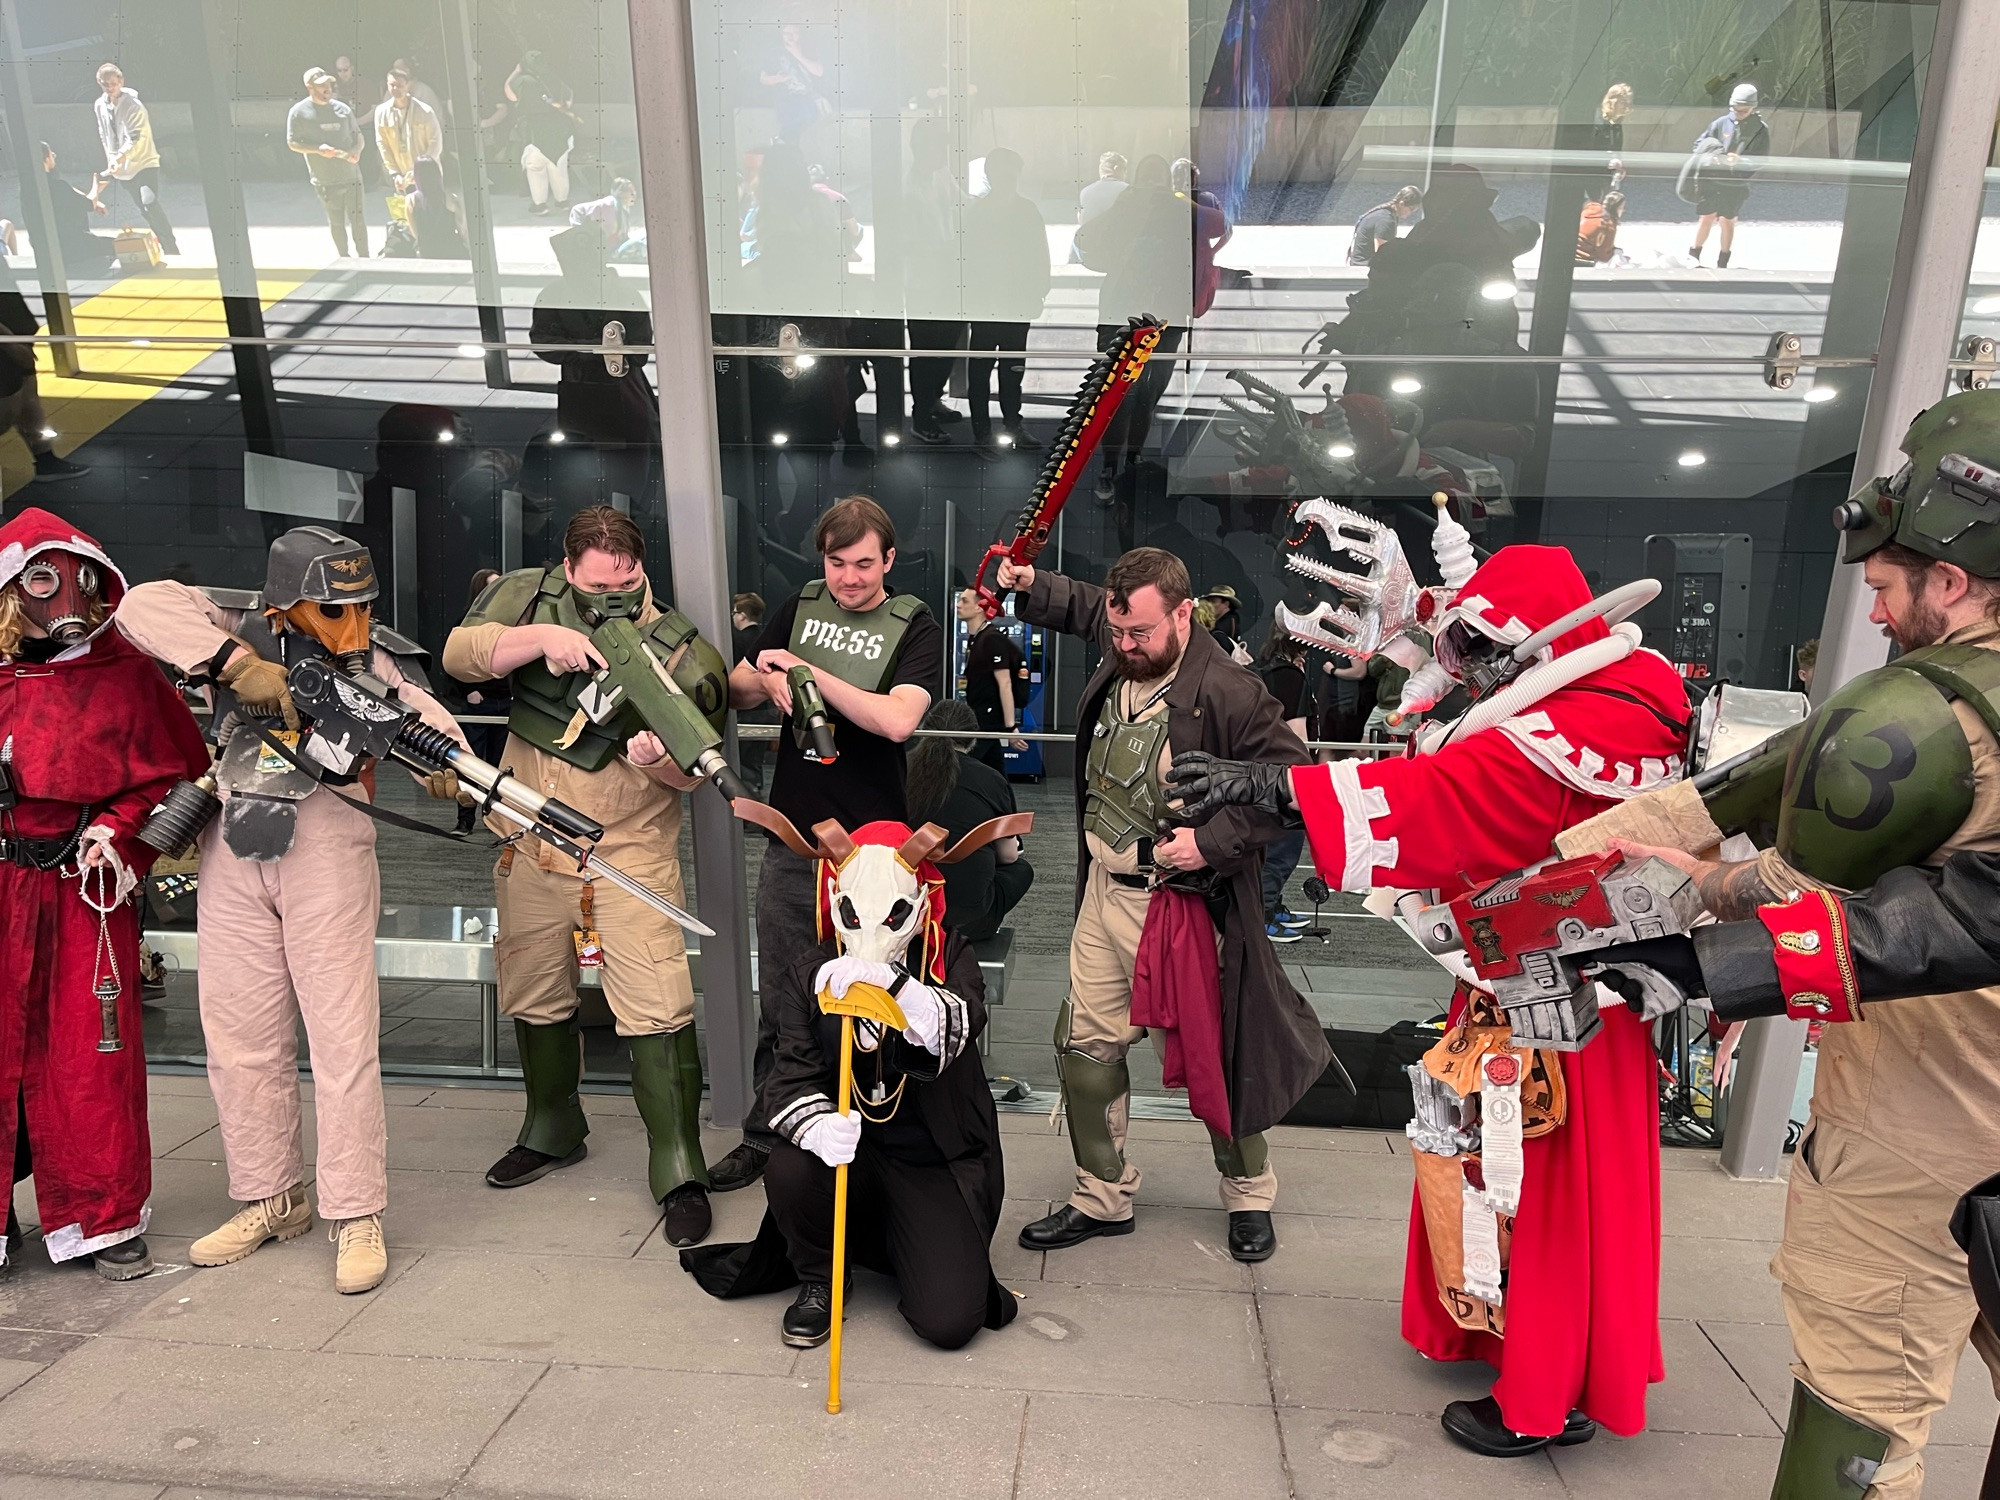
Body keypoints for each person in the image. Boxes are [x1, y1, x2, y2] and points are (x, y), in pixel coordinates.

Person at [1561, 390, 2000, 1499]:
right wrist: (1640, 872)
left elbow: (1920, 916)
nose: (1882, 612)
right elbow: (1755, 793)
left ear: (1949, 580)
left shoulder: (1920, 717)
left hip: (1931, 1127)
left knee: (1855, 1416)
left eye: (1893, 588)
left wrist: (1689, 954)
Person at [1166, 535, 1691, 1454]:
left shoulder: (1578, 726)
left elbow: (1450, 794)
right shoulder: (1611, 699)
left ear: (1534, 640)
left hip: (1557, 1005)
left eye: (1483, 648)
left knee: (1542, 1188)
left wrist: (1276, 786)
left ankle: (1546, 1390)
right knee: (1490, 1168)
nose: (1471, 668)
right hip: (1534, 983)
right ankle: (1509, 1337)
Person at [116, 527, 467, 1295]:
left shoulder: (377, 660)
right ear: (287, 602)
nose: (352, 622)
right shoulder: (233, 626)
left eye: (362, 604)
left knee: (342, 1040)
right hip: (235, 841)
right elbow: (139, 605)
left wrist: (453, 767)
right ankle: (270, 1195)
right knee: (239, 1036)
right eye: (333, 607)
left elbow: (427, 719)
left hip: (328, 848)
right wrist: (237, 665)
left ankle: (356, 1210)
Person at [998, 548, 1330, 1264]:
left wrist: (1212, 841)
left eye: (1140, 632)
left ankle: (1248, 1193)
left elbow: (1298, 790)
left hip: (1181, 905)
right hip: (1102, 893)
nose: (1124, 645)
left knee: (1212, 1050)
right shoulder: (1131, 639)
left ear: (1185, 613)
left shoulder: (1230, 689)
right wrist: (1034, 586)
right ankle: (1102, 1194)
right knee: (1086, 1046)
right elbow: (1094, 606)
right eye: (1117, 632)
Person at [441, 506, 728, 1248]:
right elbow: (459, 656)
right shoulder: (525, 597)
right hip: (529, 844)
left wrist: (653, 758)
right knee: (535, 992)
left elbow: (694, 771)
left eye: (627, 583)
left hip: (627, 855)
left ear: (643, 571)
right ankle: (552, 1125)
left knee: (657, 1007)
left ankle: (678, 1164)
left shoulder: (679, 648)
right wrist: (543, 638)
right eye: (598, 585)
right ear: (568, 569)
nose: (614, 597)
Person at [682, 815, 1019, 1350]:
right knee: (790, 1164)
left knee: (951, 1321)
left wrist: (901, 991)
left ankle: (902, 1240)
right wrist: (815, 1125)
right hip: (846, 1158)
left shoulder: (948, 955)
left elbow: (959, 1026)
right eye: (854, 916)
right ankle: (823, 1277)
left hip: (929, 1160)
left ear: (923, 902)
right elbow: (788, 1072)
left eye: (893, 917)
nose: (869, 938)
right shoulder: (809, 972)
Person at [706, 496, 946, 1194]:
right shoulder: (800, 603)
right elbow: (740, 689)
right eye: (838, 563)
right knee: (784, 993)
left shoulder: (916, 624)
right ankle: (769, 1129)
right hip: (796, 840)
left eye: (864, 563)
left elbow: (898, 720)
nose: (849, 577)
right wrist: (771, 678)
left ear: (889, 560)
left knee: (874, 992)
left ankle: (874, 1131)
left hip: (875, 853)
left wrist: (809, 674)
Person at [0, 508, 209, 1279]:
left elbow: (180, 774)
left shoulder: (121, 670)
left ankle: (103, 1215)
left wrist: (121, 838)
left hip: (83, 889)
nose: (64, 602)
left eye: (76, 582)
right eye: (42, 580)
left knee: (93, 1056)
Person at [907, 700, 1033, 941]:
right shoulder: (990, 778)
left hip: (903, 911)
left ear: (924, 729)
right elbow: (1008, 856)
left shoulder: (902, 768)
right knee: (1021, 869)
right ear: (973, 738)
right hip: (968, 920)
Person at [964, 148, 1050, 459]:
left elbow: (1039, 253)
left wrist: (1040, 288)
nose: (1008, 178)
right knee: (988, 371)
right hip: (994, 303)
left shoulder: (1001, 211)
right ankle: (989, 431)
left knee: (1005, 369)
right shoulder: (1008, 211)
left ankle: (1004, 427)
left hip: (1010, 302)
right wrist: (1041, 288)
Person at [904, 121, 966, 446]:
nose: (944, 153)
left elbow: (963, 203)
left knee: (945, 348)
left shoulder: (940, 174)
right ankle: (921, 416)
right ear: (921, 148)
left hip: (945, 278)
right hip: (922, 282)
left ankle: (932, 402)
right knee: (927, 353)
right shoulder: (907, 187)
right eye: (939, 146)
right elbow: (913, 241)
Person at [0, 277, 89, 483]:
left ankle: (45, 460)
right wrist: (10, 344)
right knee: (9, 411)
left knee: (28, 394)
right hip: (7, 339)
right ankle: (45, 460)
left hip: (11, 329)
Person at [1254, 630, 1311, 941]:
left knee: (1268, 847)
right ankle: (1264, 916)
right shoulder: (1293, 678)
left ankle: (1270, 908)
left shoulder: (1253, 673)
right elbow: (1298, 735)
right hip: (1287, 775)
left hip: (1256, 771)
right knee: (1284, 849)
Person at [92, 63, 180, 257]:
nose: (110, 88)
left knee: (149, 202)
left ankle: (171, 247)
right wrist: (111, 160)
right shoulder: (99, 105)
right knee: (144, 210)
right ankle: (162, 244)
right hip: (123, 169)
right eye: (105, 84)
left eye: (113, 83)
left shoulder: (133, 106)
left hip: (144, 162)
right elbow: (103, 132)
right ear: (100, 84)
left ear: (121, 82)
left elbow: (136, 138)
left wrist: (119, 157)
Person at [289, 68, 369, 259]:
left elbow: (359, 136)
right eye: (321, 86)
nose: (327, 88)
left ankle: (365, 258)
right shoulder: (299, 113)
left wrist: (356, 151)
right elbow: (292, 143)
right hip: (325, 180)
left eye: (328, 84)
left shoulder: (343, 109)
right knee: (337, 222)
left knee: (358, 220)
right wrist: (317, 149)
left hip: (352, 176)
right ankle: (344, 258)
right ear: (310, 87)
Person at [1689, 83, 1769, 269]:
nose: (1738, 113)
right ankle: (1693, 255)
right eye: (1735, 109)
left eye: (1744, 110)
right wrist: (1712, 157)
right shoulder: (1721, 123)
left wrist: (1740, 162)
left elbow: (1761, 159)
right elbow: (1698, 145)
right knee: (1706, 217)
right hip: (1713, 179)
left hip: (1736, 183)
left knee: (1727, 220)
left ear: (1753, 107)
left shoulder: (1760, 129)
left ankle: (1723, 261)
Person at [954, 588, 1027, 774]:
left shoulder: (991, 639)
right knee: (995, 771)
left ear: (980, 608)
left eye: (964, 601)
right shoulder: (978, 638)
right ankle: (1004, 803)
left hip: (986, 720)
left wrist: (1011, 728)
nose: (958, 604)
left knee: (961, 769)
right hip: (982, 717)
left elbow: (1005, 683)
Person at [36, 143, 117, 277]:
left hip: (50, 250)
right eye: (51, 154)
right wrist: (96, 187)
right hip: (74, 246)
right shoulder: (57, 187)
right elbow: (88, 204)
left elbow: (75, 198)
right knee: (121, 246)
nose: (54, 157)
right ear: (46, 159)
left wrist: (95, 201)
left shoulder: (35, 186)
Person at [514, 72, 577, 217]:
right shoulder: (556, 80)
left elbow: (510, 94)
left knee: (536, 170)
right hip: (560, 133)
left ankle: (539, 205)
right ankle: (562, 202)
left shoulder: (524, 83)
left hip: (535, 136)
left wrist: (516, 71)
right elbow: (568, 100)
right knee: (558, 168)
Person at [374, 68, 443, 193]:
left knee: (432, 210)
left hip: (426, 175)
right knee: (408, 211)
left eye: (400, 86)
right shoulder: (381, 112)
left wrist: (419, 171)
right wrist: (395, 173)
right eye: (392, 85)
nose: (395, 89)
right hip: (402, 178)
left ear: (408, 86)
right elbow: (383, 144)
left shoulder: (425, 111)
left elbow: (435, 143)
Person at [732, 592, 772, 795]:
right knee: (754, 762)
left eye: (734, 612)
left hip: (744, 710)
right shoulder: (766, 638)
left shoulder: (735, 641)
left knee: (742, 764)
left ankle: (746, 815)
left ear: (742, 615)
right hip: (765, 710)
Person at [1348, 186, 1421, 265]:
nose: (1411, 213)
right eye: (1411, 209)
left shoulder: (1388, 213)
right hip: (1363, 266)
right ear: (1401, 204)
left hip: (1363, 263)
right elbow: (1382, 254)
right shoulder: (1386, 220)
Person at [569, 178, 639, 252]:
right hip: (580, 219)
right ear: (620, 193)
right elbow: (610, 233)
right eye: (630, 192)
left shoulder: (623, 207)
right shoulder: (609, 205)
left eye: (634, 191)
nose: (634, 194)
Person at [1594, 83, 1631, 197]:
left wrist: (1620, 166)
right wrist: (1608, 159)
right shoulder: (1598, 121)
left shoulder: (1616, 123)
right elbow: (1594, 146)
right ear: (1612, 101)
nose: (1626, 107)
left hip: (1610, 173)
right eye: (1623, 103)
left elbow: (1616, 147)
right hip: (1596, 174)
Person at [1077, 151, 1128, 228]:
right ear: (1117, 168)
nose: (1126, 174)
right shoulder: (1128, 190)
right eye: (1125, 170)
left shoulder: (1085, 191)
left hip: (1089, 238)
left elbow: (1081, 219)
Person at [1574, 191, 1623, 266]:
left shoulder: (1591, 208)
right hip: (1585, 260)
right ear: (1617, 209)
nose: (1623, 211)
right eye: (1622, 208)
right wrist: (1616, 251)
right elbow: (1604, 256)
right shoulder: (1608, 225)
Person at [1202, 584, 1246, 657]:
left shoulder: (1225, 625)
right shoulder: (1231, 619)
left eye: (1213, 601)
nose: (1209, 605)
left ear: (1226, 604)